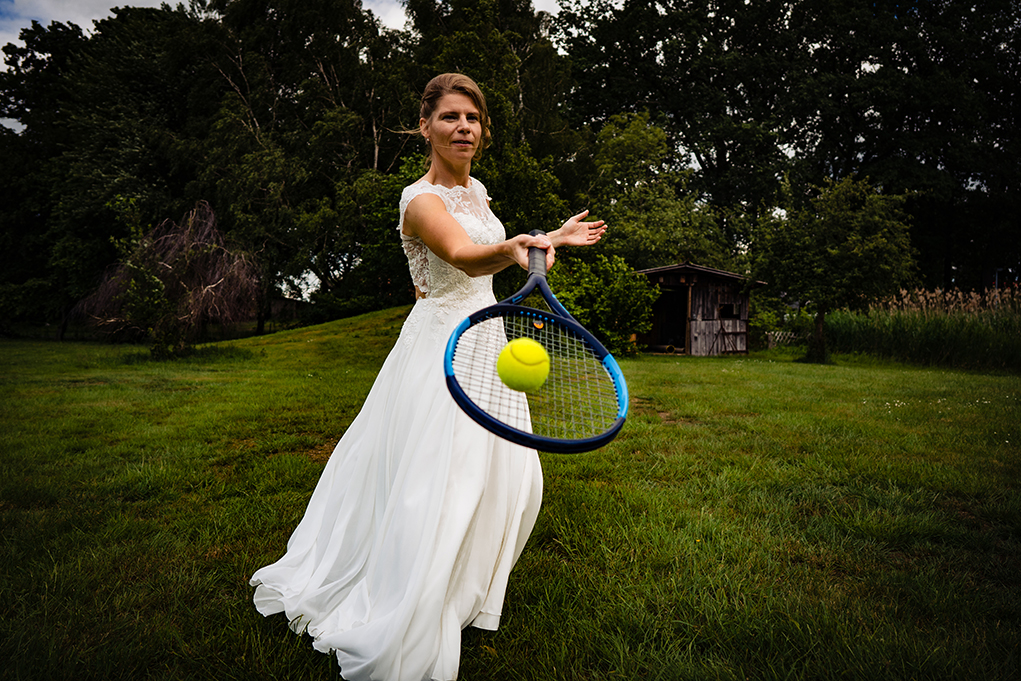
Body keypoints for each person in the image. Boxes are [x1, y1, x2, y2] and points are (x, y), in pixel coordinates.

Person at [250, 72, 606, 681]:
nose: (463, 127)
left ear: (483, 130)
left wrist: (552, 241)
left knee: (509, 475)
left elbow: (498, 252)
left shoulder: (481, 193)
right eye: (450, 117)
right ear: (425, 126)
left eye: (472, 118)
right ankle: (412, 596)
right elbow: (465, 258)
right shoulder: (420, 201)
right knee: (441, 479)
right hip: (440, 344)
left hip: (486, 338)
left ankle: (462, 591)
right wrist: (527, 246)